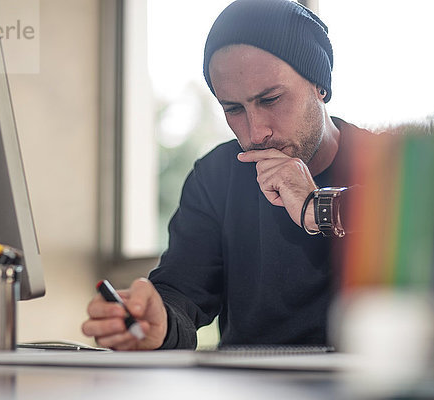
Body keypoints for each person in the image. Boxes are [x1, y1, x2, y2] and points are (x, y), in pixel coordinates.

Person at [82, 0, 380, 350]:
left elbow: (430, 215)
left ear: (320, 85)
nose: (256, 133)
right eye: (234, 109)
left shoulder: (389, 161)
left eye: (270, 99)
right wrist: (156, 324)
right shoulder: (217, 176)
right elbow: (180, 293)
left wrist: (317, 206)